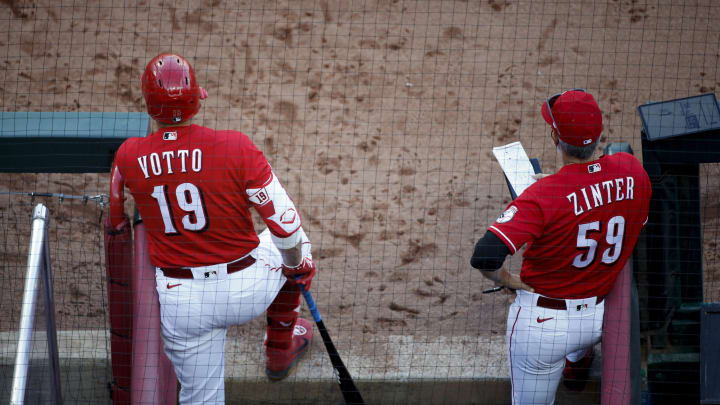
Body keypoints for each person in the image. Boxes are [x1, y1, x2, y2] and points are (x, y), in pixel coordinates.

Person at [108, 53, 316, 404]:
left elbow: (115, 225)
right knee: (297, 247)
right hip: (246, 288)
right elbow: (285, 224)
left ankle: (280, 345)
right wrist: (297, 267)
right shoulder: (236, 147)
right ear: (195, 101)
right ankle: (281, 346)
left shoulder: (127, 156)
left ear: (148, 106)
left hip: (181, 301)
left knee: (201, 399)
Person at [470, 89, 651, 404]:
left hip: (544, 330)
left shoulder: (543, 195)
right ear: (599, 134)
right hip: (600, 317)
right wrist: (564, 185)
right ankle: (578, 365)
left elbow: (485, 255)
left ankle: (575, 363)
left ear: (555, 137)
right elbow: (611, 206)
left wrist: (509, 281)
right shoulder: (631, 171)